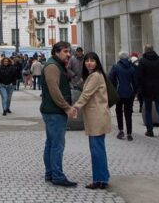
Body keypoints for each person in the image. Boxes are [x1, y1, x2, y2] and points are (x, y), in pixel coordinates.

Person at [40, 41, 78, 188]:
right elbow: (54, 90)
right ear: (56, 52)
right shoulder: (52, 66)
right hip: (54, 111)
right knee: (57, 145)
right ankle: (57, 175)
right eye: (65, 51)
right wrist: (67, 107)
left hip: (51, 110)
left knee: (51, 144)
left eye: (69, 52)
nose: (68, 54)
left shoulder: (55, 65)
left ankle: (50, 173)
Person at [74, 52, 111, 190]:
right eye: (87, 61)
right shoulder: (95, 75)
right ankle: (103, 177)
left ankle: (100, 179)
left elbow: (86, 94)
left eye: (92, 61)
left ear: (97, 62)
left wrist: (75, 108)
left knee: (97, 150)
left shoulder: (95, 76)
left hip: (97, 116)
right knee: (98, 148)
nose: (89, 63)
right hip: (97, 115)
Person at [136, 45, 159, 141]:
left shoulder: (142, 61)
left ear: (145, 51)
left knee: (148, 110)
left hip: (147, 90)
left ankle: (150, 130)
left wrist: (139, 89)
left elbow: (139, 76)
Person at [108, 51, 137, 140]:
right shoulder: (132, 68)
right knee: (128, 113)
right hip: (130, 93)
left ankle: (121, 130)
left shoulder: (116, 67)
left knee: (119, 112)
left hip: (119, 93)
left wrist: (113, 89)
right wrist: (134, 92)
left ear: (119, 58)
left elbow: (110, 79)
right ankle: (129, 133)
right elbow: (135, 81)